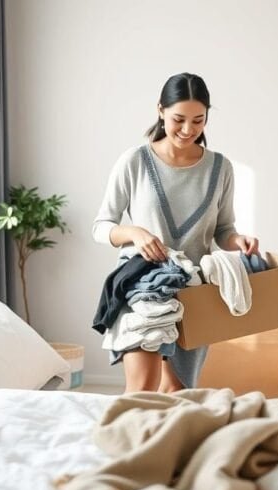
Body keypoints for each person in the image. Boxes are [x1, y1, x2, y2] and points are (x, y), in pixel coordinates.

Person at [92, 72, 259, 394]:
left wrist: (239, 241)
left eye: (198, 120)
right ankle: (129, 441)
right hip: (143, 287)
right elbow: (102, 226)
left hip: (195, 291)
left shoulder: (220, 167)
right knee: (142, 391)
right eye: (178, 119)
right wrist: (135, 233)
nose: (188, 130)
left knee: (177, 395)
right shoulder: (135, 161)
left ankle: (168, 445)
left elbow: (224, 229)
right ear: (160, 111)